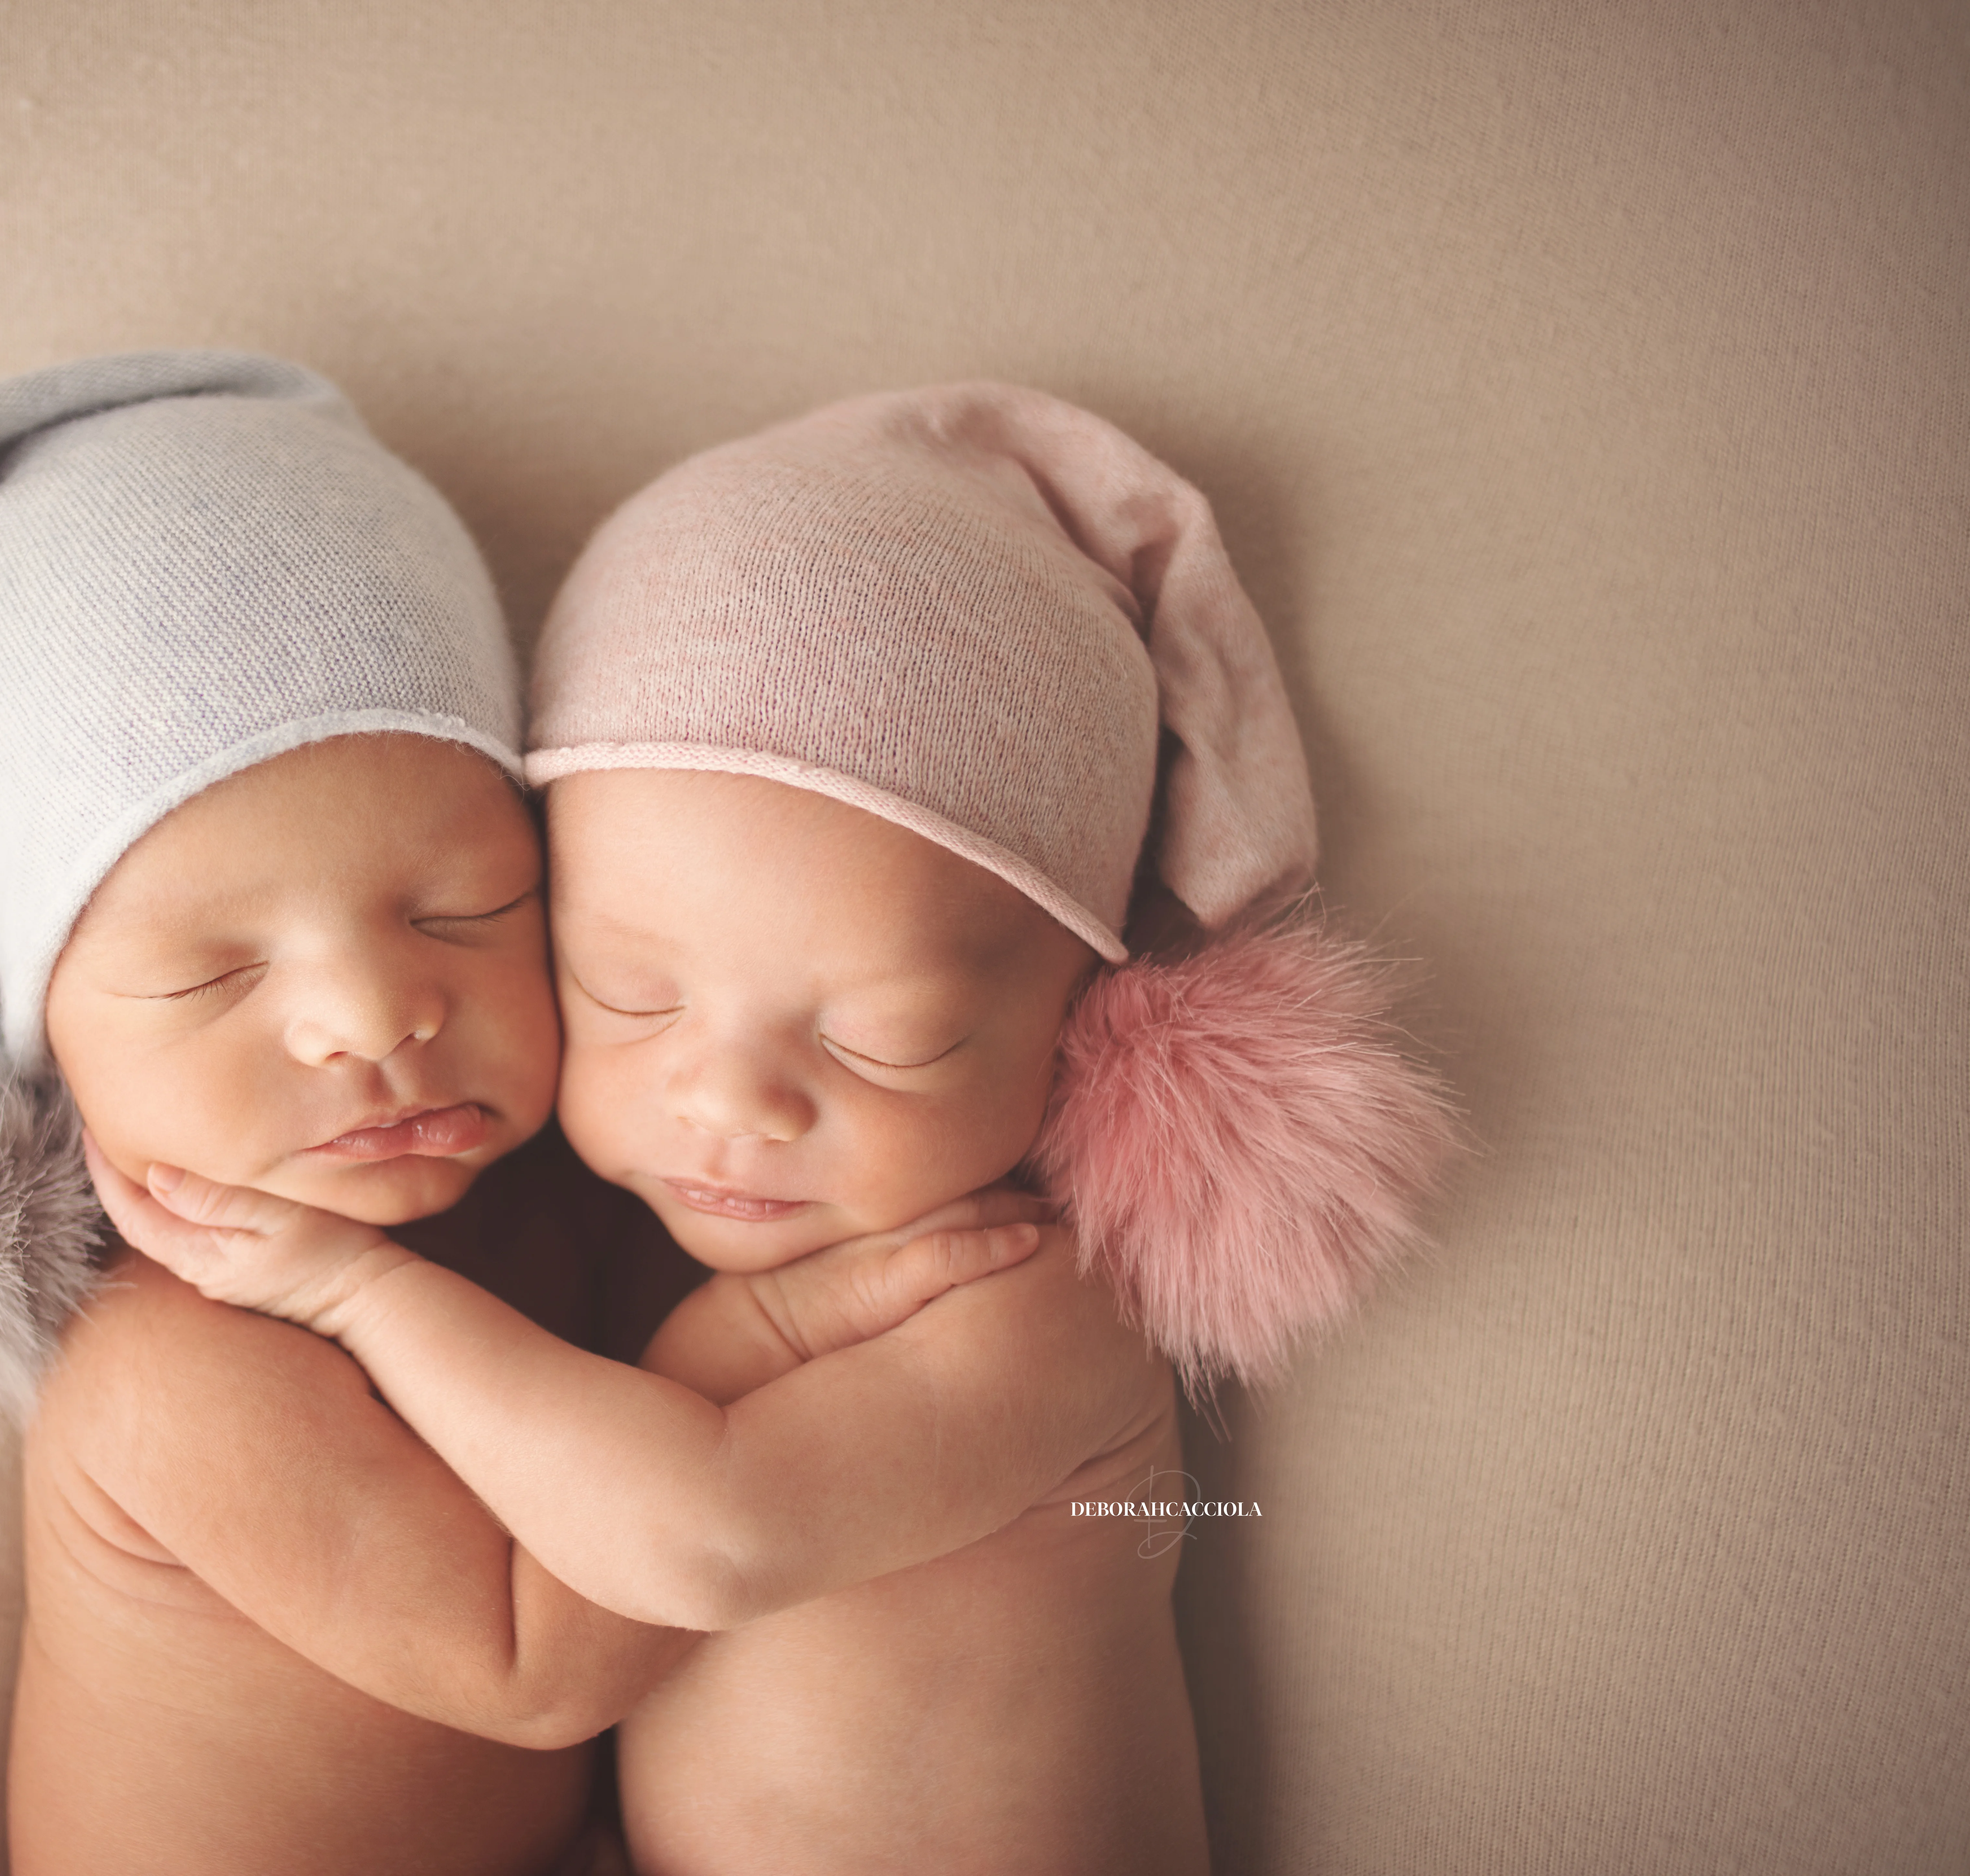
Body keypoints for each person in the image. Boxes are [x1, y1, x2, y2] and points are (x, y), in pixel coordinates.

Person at [110, 383, 1458, 1875]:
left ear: (1088, 1006)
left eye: (887, 1035)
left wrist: (357, 1290)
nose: (730, 1102)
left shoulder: (1019, 1301)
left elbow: (700, 1534)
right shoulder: (612, 1239)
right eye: (628, 996)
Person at [0, 354, 1058, 1875]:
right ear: (40, 1040)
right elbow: (533, 1663)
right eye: (212, 973)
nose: (375, 1016)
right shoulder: (167, 1361)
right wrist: (761, 1339)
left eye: (465, 904)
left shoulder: (586, 1200)